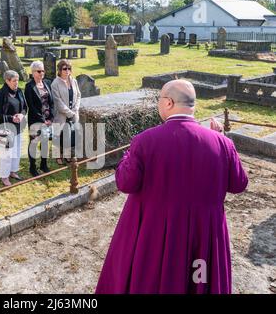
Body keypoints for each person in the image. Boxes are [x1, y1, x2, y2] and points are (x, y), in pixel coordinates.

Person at [95, 79, 248, 294]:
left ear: (168, 102)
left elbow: (125, 182)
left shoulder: (145, 141)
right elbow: (239, 184)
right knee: (198, 281)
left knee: (152, 282)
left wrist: (128, 155)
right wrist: (223, 141)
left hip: (154, 235)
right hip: (202, 237)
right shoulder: (223, 143)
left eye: (159, 99)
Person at [0, 70, 27, 187]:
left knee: (16, 151)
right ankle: (4, 176)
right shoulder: (1, 93)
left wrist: (22, 114)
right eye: (14, 81)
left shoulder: (19, 92)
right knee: (6, 153)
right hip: (5, 127)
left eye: (17, 80)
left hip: (18, 126)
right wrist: (11, 118)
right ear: (7, 81)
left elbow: (24, 108)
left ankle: (13, 171)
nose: (16, 83)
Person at [25, 61, 54, 176]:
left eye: (43, 70)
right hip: (35, 120)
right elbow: (31, 106)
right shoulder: (29, 87)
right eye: (38, 71)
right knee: (34, 143)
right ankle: (32, 167)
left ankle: (43, 164)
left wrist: (50, 117)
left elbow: (51, 102)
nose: (41, 73)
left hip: (48, 120)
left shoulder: (47, 83)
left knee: (45, 142)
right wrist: (43, 120)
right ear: (33, 72)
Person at [50, 59, 81, 165]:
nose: (67, 71)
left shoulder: (74, 81)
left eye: (69, 68)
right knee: (58, 135)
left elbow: (79, 96)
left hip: (73, 112)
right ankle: (57, 156)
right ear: (59, 70)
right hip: (61, 114)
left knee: (68, 134)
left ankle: (67, 155)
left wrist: (75, 109)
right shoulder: (55, 83)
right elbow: (58, 101)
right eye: (64, 68)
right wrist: (69, 112)